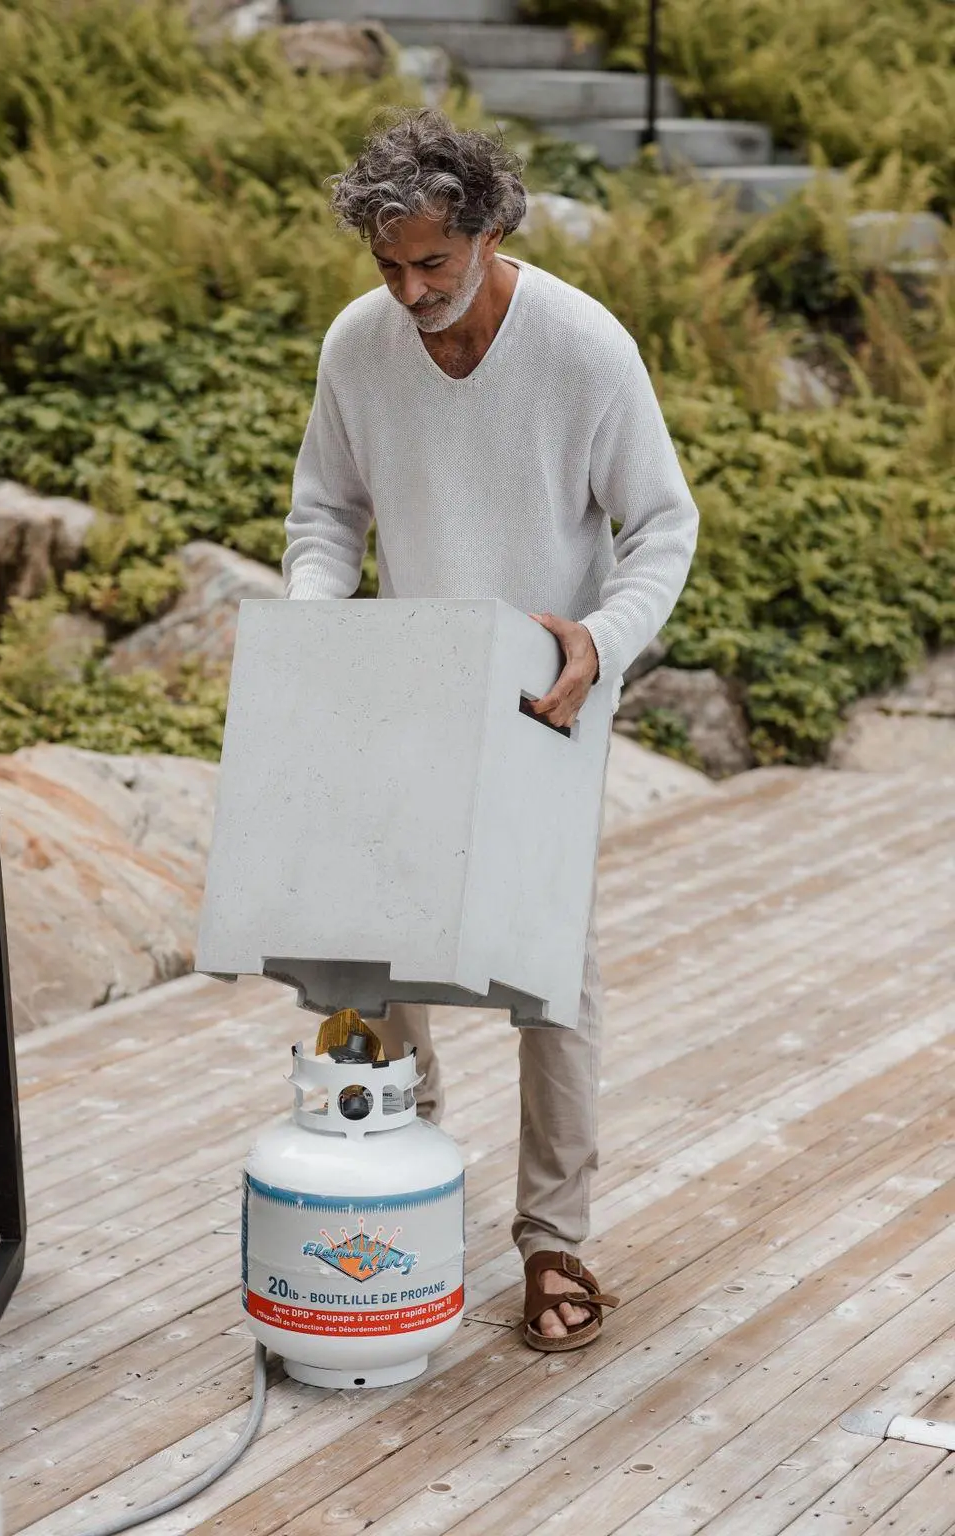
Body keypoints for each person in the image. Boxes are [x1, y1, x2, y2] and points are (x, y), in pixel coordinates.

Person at [283, 109, 699, 1350]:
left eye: (433, 266)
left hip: (542, 690)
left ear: (490, 229)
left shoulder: (582, 348)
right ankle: (398, 1187)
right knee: (368, 950)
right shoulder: (359, 346)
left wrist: (600, 642)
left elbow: (661, 529)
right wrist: (315, 627)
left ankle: (552, 1242)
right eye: (389, 266)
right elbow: (325, 516)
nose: (410, 291)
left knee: (545, 974)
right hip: (403, 681)